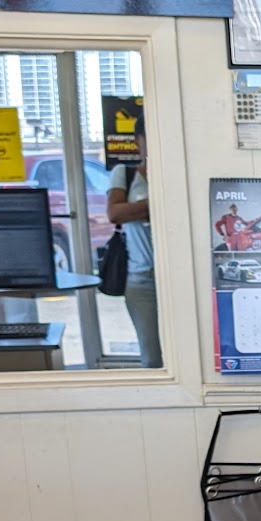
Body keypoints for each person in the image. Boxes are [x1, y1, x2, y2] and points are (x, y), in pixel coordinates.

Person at [106, 128, 160, 368]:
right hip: (142, 278)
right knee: (152, 357)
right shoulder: (125, 174)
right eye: (148, 137)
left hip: (179, 279)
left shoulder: (178, 174)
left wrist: (138, 209)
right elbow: (115, 213)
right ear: (139, 141)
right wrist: (156, 204)